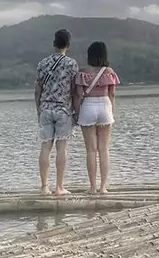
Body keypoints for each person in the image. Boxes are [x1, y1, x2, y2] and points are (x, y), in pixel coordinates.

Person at [34, 28, 79, 196]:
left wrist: (39, 110)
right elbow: (74, 90)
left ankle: (44, 187)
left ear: (54, 43)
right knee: (62, 148)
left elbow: (37, 90)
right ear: (68, 45)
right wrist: (76, 111)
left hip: (46, 108)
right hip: (63, 110)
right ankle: (59, 187)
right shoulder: (71, 64)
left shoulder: (42, 63)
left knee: (45, 147)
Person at [75, 41, 120, 194]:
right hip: (105, 106)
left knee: (91, 150)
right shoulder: (109, 72)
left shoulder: (82, 72)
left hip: (88, 106)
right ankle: (103, 187)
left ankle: (92, 187)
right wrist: (112, 111)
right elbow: (112, 94)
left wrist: (77, 112)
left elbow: (78, 95)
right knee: (104, 150)